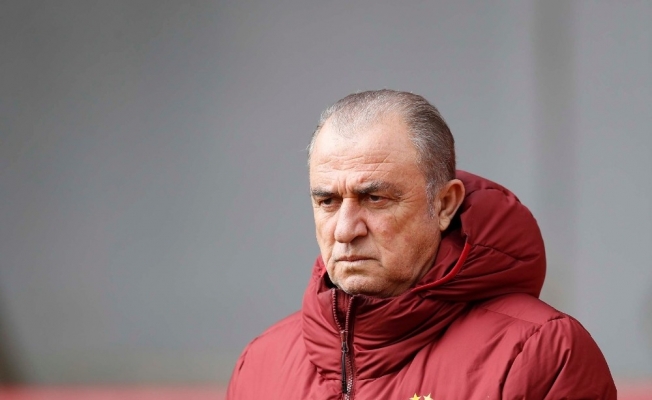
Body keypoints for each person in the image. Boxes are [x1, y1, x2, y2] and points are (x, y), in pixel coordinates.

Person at [226, 90, 616, 399]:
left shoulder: (541, 351)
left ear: (444, 205)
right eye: (327, 201)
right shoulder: (262, 362)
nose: (344, 230)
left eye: (375, 198)